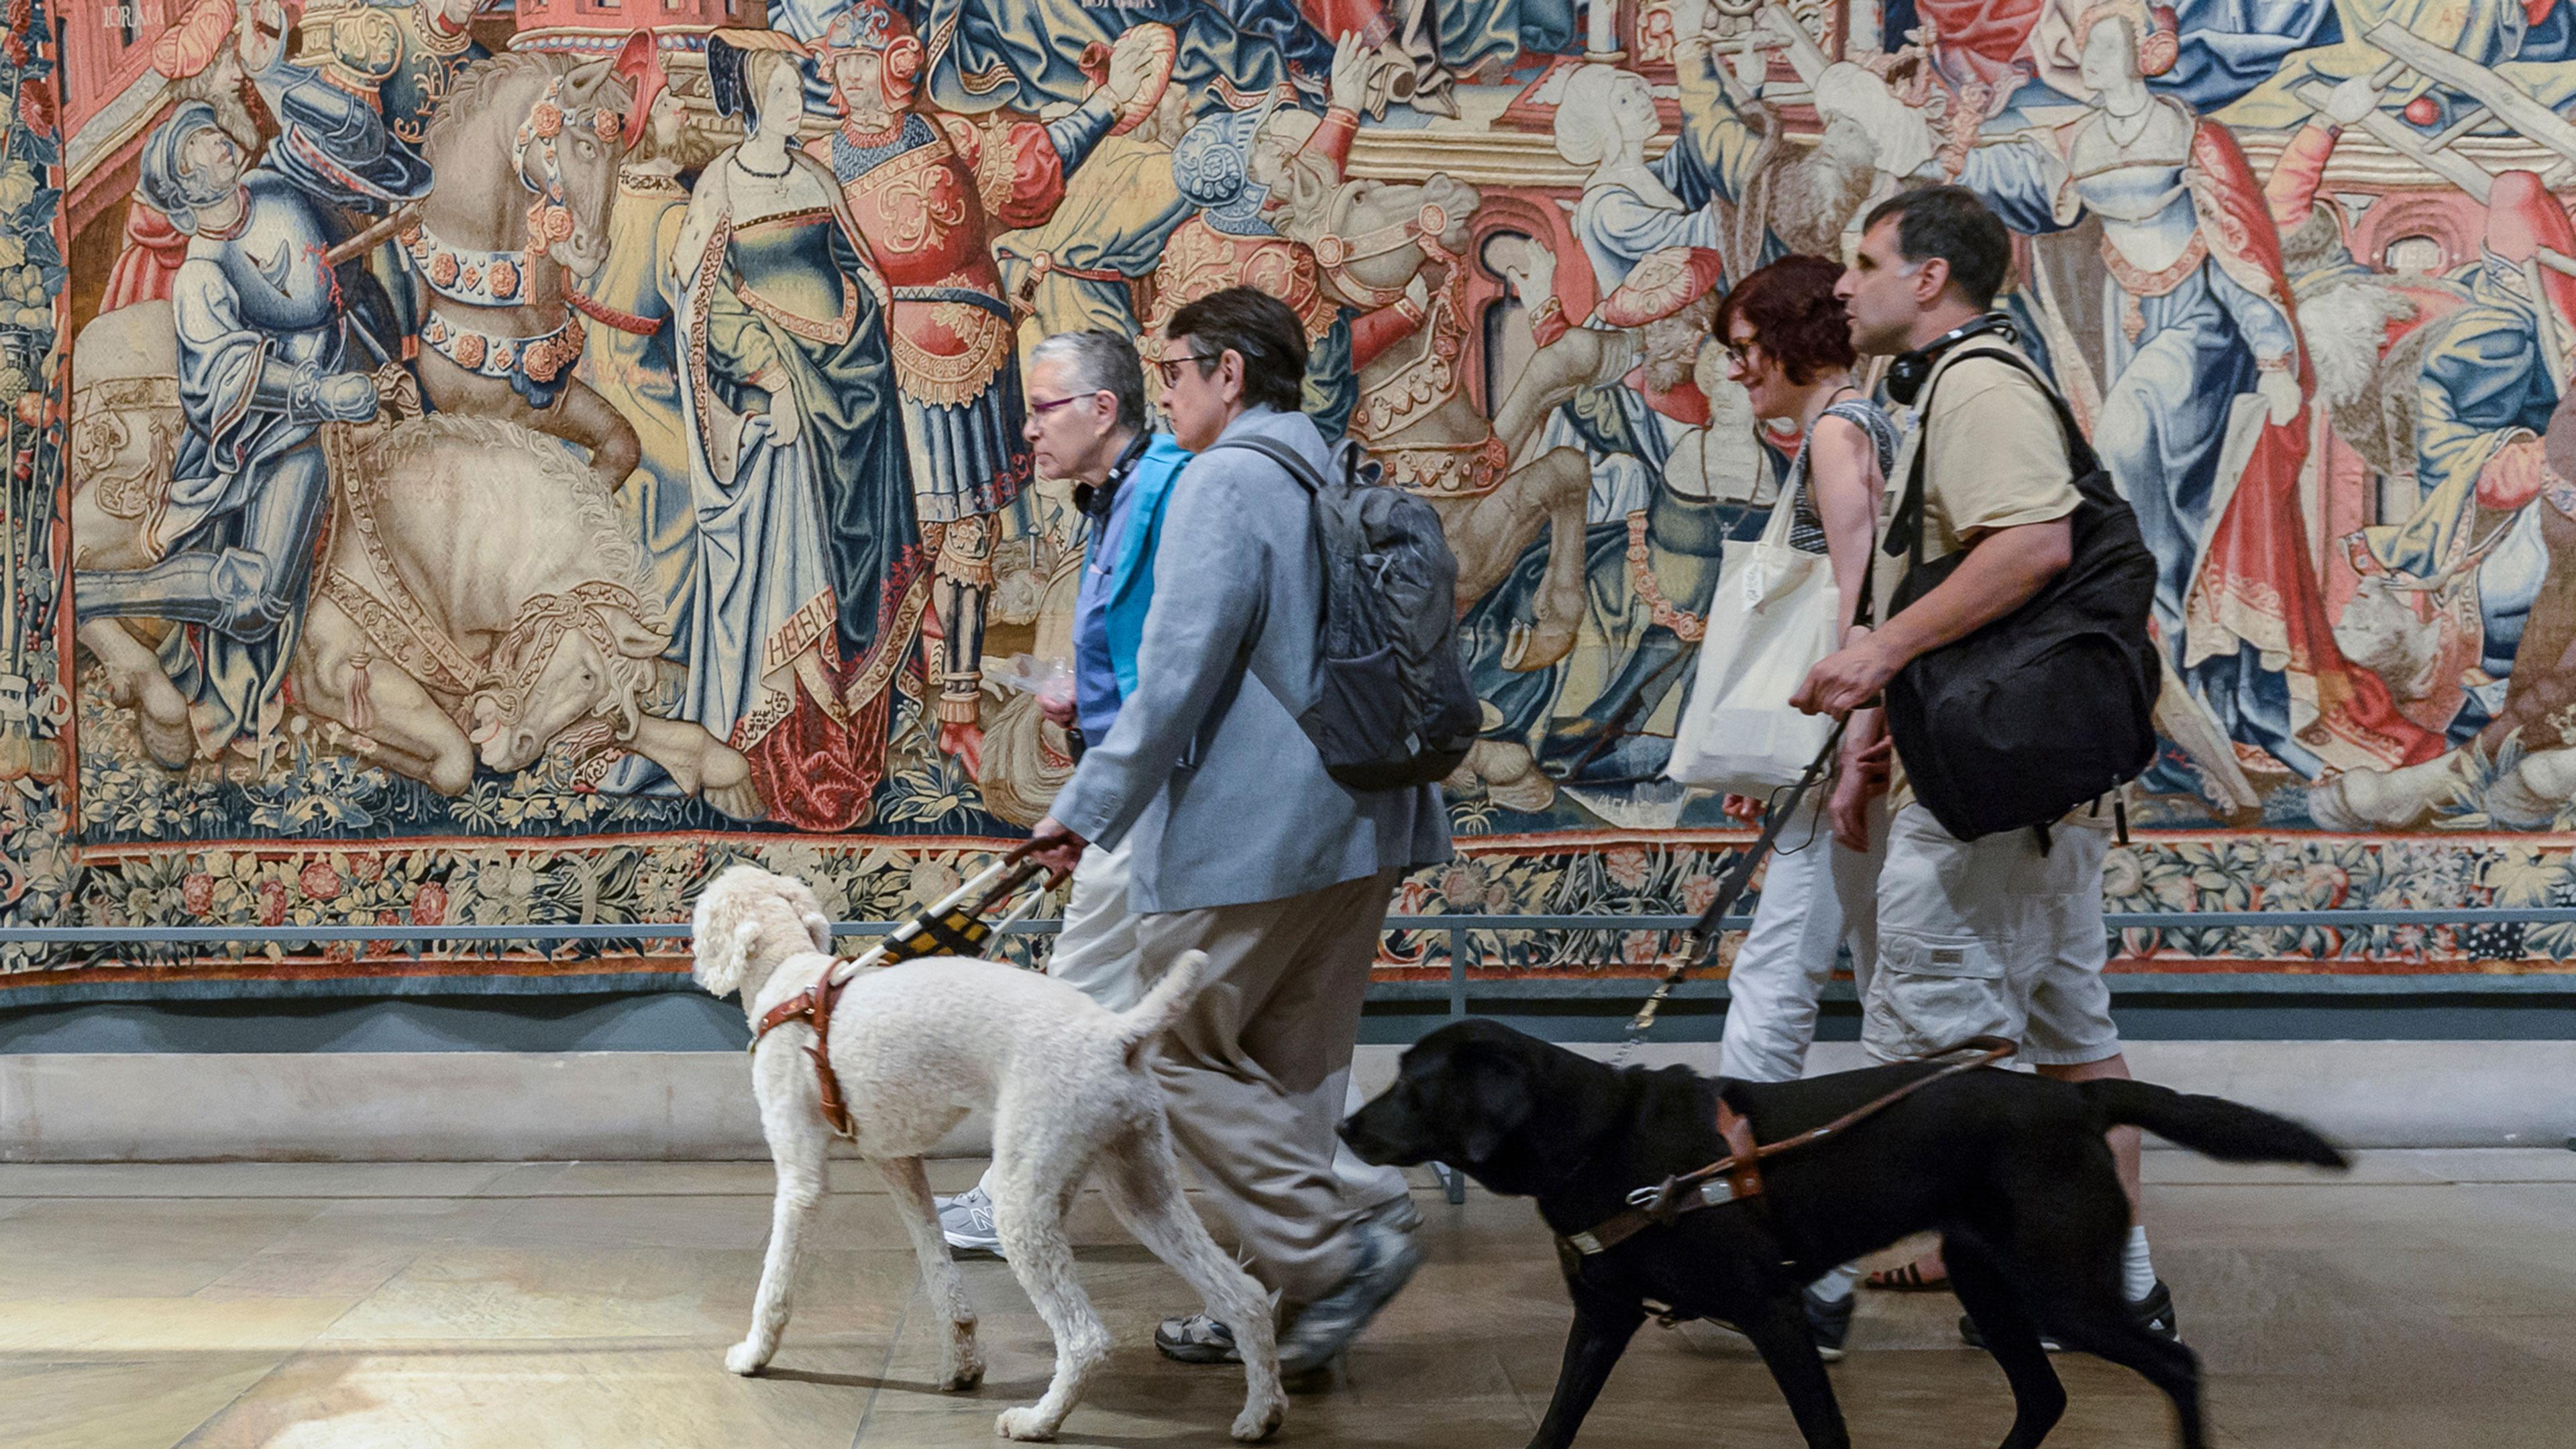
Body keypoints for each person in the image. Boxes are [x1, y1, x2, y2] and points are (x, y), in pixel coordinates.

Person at [1022, 289, 1453, 1377]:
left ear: (1228, 375)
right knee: (1293, 1073)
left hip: (1258, 833)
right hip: (1370, 815)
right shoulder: (1332, 464)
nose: (1162, 392)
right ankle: (1282, 1305)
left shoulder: (1223, 482)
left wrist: (1082, 809)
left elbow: (1173, 681)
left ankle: (1328, 1258)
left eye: (1173, 370)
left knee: (1157, 1047)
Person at [934, 329, 1417, 1256]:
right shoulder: (1139, 492)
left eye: (1041, 409)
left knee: (1129, 1027)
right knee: (1258, 1040)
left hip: (1164, 796)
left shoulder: (1185, 485)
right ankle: (1343, 1210)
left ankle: (1328, 1225)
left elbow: (1185, 662)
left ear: (1101, 409)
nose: (1026, 431)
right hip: (1163, 790)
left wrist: (1088, 801)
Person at [1790, 186, 2174, 1341]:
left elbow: (2031, 546)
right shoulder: (1954, 384)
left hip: (1980, 804)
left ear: (1929, 279)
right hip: (2011, 787)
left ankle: (1809, 1288)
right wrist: (1870, 748)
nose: (1843, 286)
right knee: (2071, 1047)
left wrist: (1878, 657)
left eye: (1865, 263)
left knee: (1922, 1059)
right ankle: (2115, 1288)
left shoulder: (1980, 384)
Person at [1701, 254, 1901, 1354]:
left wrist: (1843, 745)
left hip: (1845, 750)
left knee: (1770, 999)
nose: (1738, 373)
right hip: (1875, 754)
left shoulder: (1836, 431)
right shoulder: (1876, 422)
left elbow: (1862, 589)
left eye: (1746, 350)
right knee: (1907, 1003)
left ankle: (1790, 1264)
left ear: (1791, 339)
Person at [664, 32, 924, 832]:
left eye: (797, 92)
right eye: (780, 94)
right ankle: (787, 752)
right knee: (793, 565)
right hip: (789, 409)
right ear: (748, 102)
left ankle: (860, 735)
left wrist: (870, 337)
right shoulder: (723, 187)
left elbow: (861, 271)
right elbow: (700, 299)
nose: (797, 103)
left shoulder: (815, 176)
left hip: (857, 396)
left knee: (865, 560)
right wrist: (771, 377)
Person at [74, 103, 380, 767]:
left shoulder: (273, 185)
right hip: (268, 432)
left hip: (352, 364)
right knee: (257, 597)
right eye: (202, 150)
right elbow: (223, 375)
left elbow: (338, 242)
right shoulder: (202, 275)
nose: (221, 146)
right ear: (187, 194)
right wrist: (317, 393)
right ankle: (93, 596)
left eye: (216, 136)